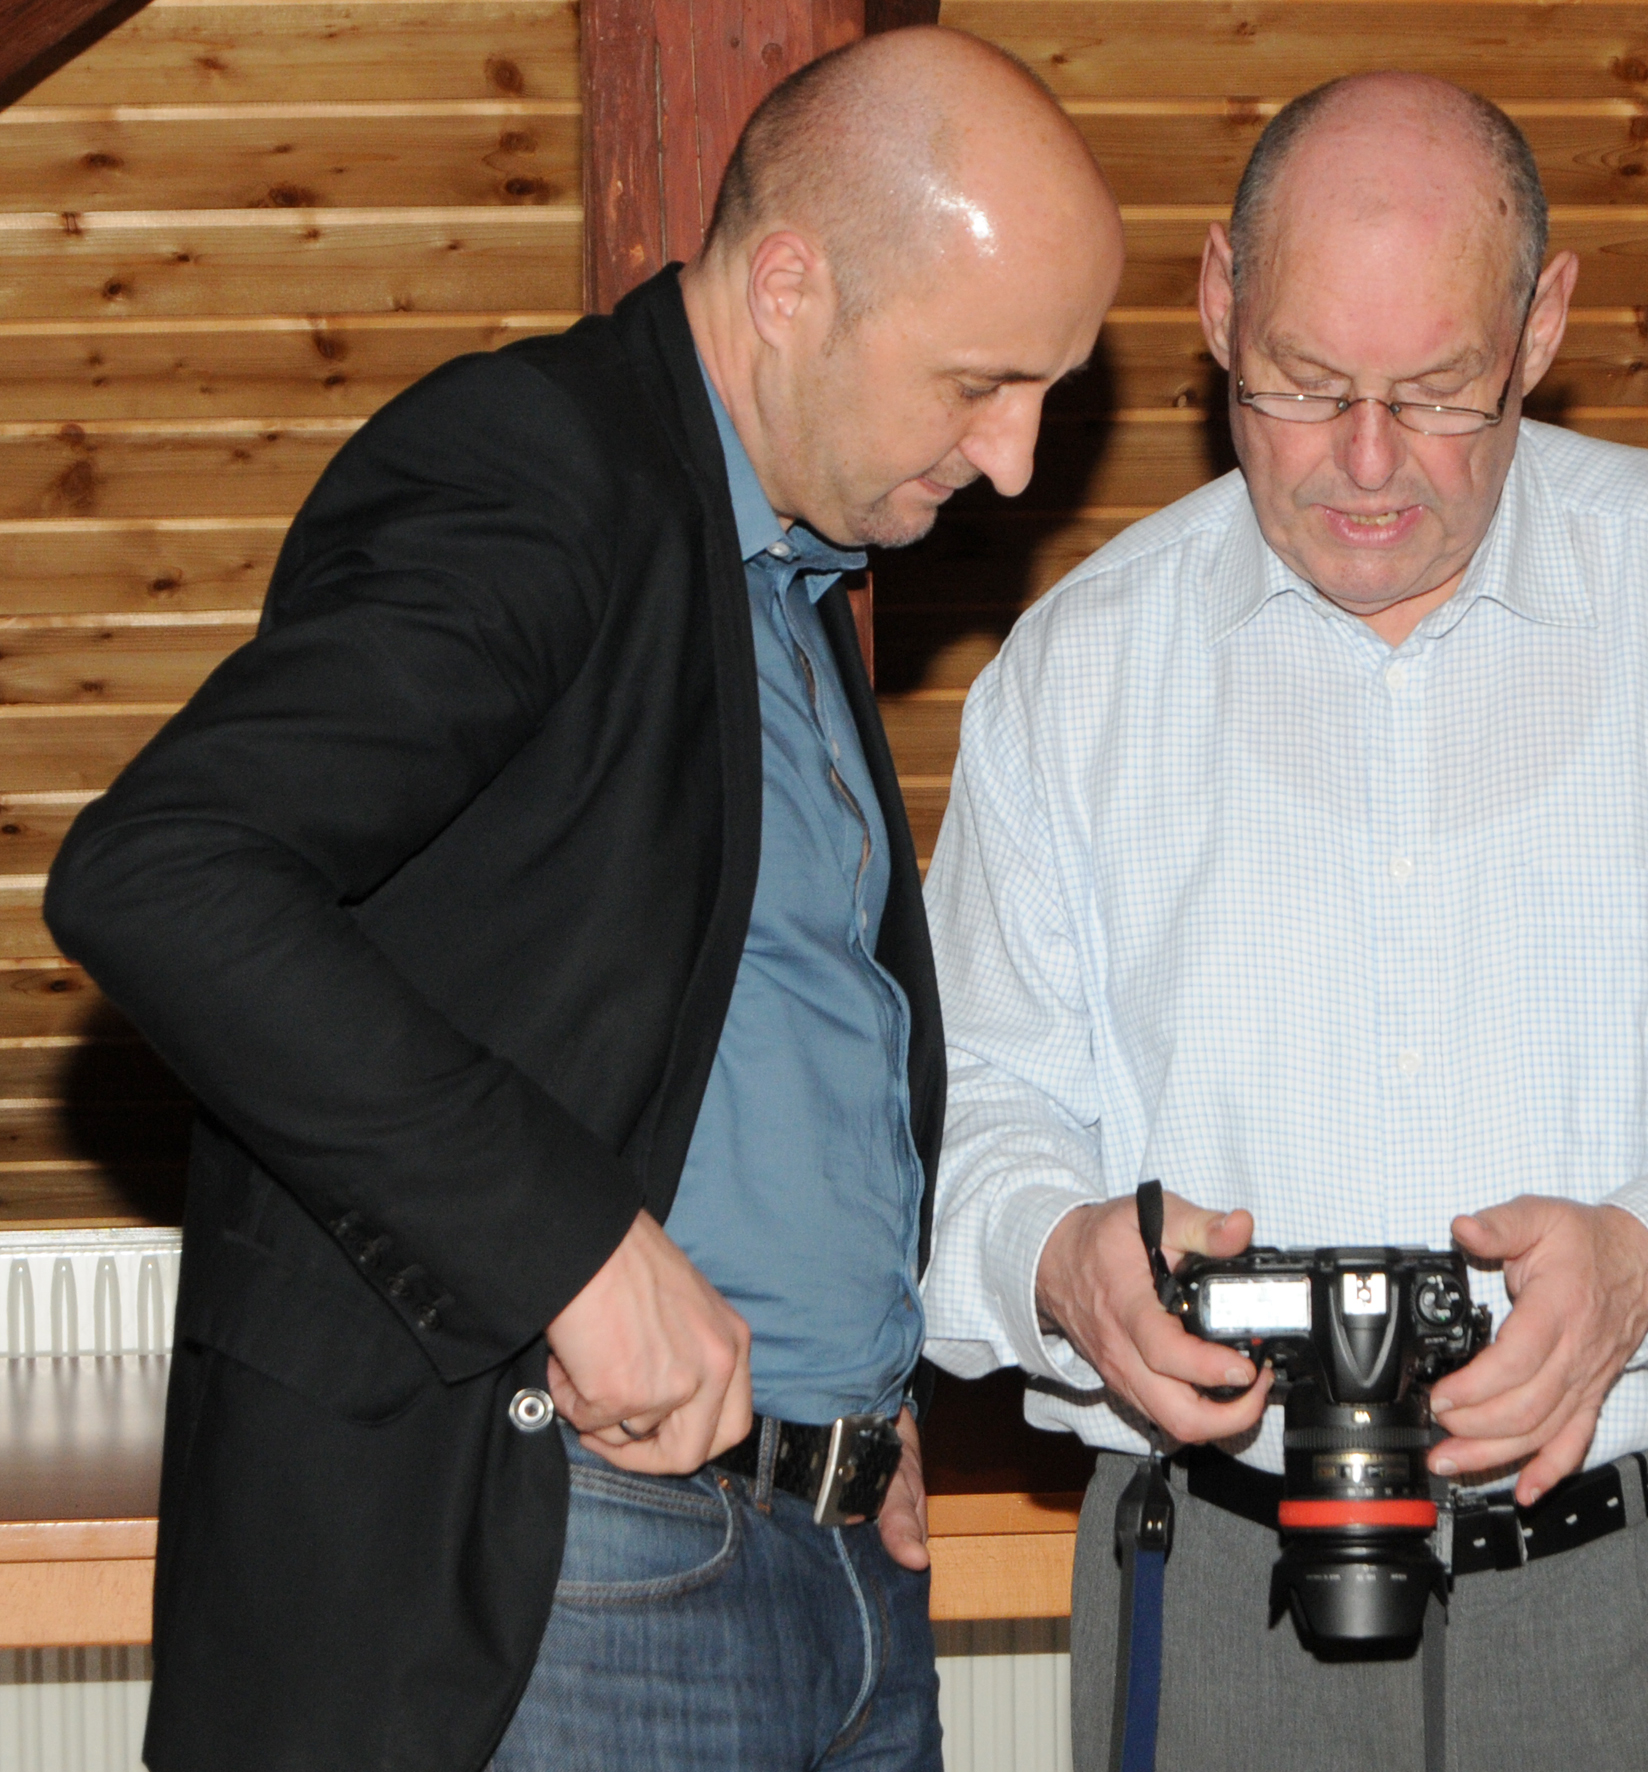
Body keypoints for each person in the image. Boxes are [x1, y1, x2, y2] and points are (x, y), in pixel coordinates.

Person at [44, 26, 1122, 1772]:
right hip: (581, 1567)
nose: (1014, 459)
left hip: (835, 1550)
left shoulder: (789, 567)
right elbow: (167, 872)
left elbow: (725, 1015)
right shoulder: (538, 471)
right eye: (979, 383)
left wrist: (854, 1382)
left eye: (1047, 392)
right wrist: (570, 1245)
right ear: (789, 284)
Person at [920, 70, 1648, 1771]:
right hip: (1219, 1615)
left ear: (1541, 324)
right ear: (1216, 303)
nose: (1367, 463)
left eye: (1437, 394)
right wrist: (1058, 1262)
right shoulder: (1074, 679)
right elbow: (968, 1105)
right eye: (1303, 385)